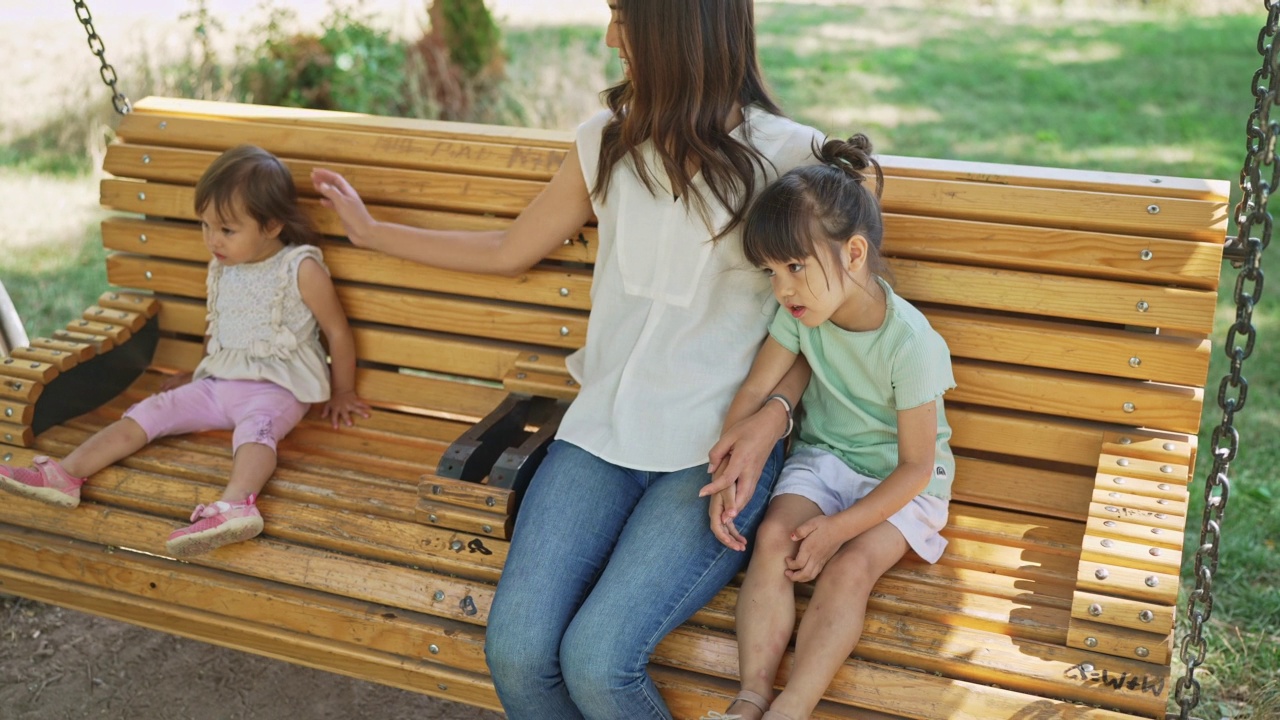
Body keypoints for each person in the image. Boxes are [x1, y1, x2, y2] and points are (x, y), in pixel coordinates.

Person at [308, 1, 823, 716]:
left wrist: (772, 414)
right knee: (517, 653)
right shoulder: (606, 143)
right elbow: (508, 248)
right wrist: (370, 233)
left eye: (622, 14)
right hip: (599, 435)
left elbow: (818, 321)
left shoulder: (794, 157)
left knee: (598, 662)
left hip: (713, 456)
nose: (611, 35)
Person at [0, 144, 369, 557]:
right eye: (206, 226)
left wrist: (343, 392)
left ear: (272, 224)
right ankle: (66, 476)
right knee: (151, 410)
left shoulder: (300, 267)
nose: (213, 239)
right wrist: (199, 372)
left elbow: (337, 332)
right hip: (216, 383)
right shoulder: (222, 264)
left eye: (227, 230)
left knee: (255, 432)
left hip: (277, 388)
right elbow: (220, 328)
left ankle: (235, 506)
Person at [700, 135, 956, 720]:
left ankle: (792, 706)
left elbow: (918, 466)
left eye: (794, 267)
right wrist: (728, 472)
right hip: (826, 458)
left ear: (855, 254)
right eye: (771, 271)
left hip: (904, 481)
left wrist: (839, 528)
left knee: (849, 569)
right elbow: (756, 391)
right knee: (771, 539)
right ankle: (751, 695)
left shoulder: (912, 344)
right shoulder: (801, 315)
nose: (783, 287)